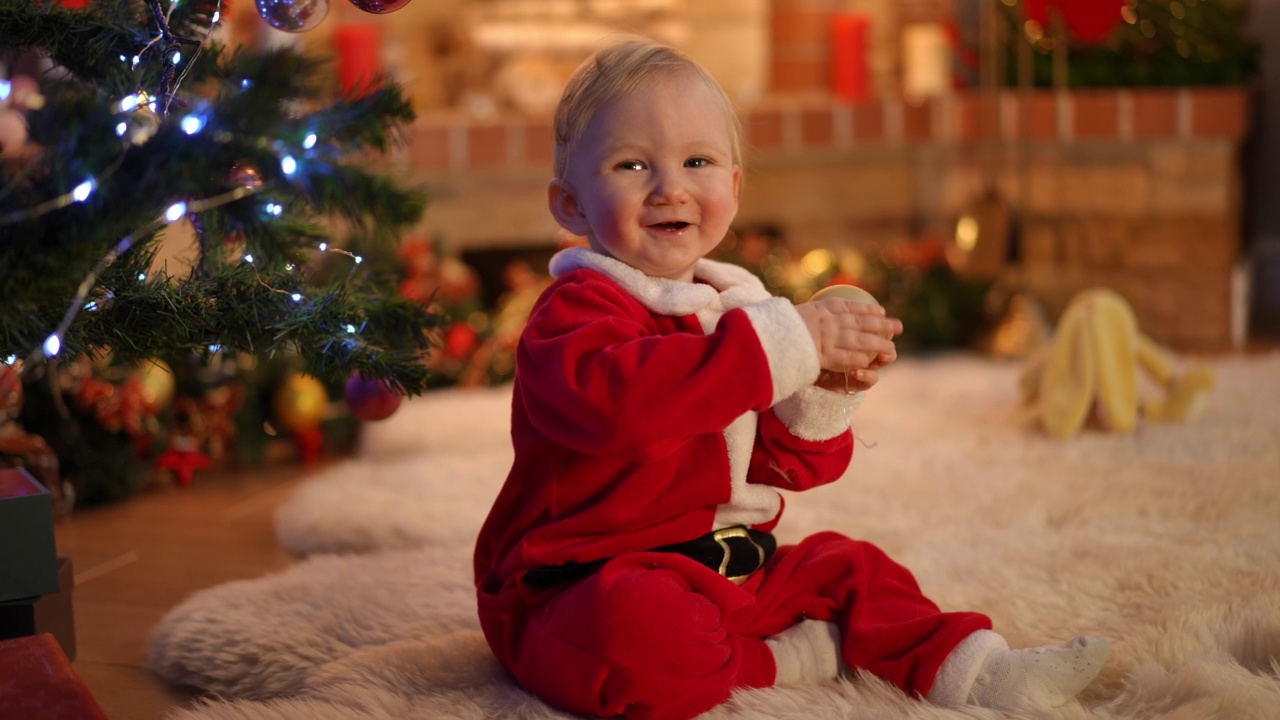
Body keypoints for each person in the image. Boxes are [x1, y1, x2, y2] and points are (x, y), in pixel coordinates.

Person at [473, 38, 1110, 720]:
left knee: (854, 569)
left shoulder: (743, 312)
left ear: (735, 187)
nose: (671, 187)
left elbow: (786, 467)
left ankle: (983, 673)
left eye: (697, 161)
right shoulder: (573, 315)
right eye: (631, 164)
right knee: (634, 638)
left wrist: (826, 391)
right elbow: (619, 408)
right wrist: (780, 349)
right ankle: (793, 658)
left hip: (730, 571)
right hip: (580, 582)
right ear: (570, 205)